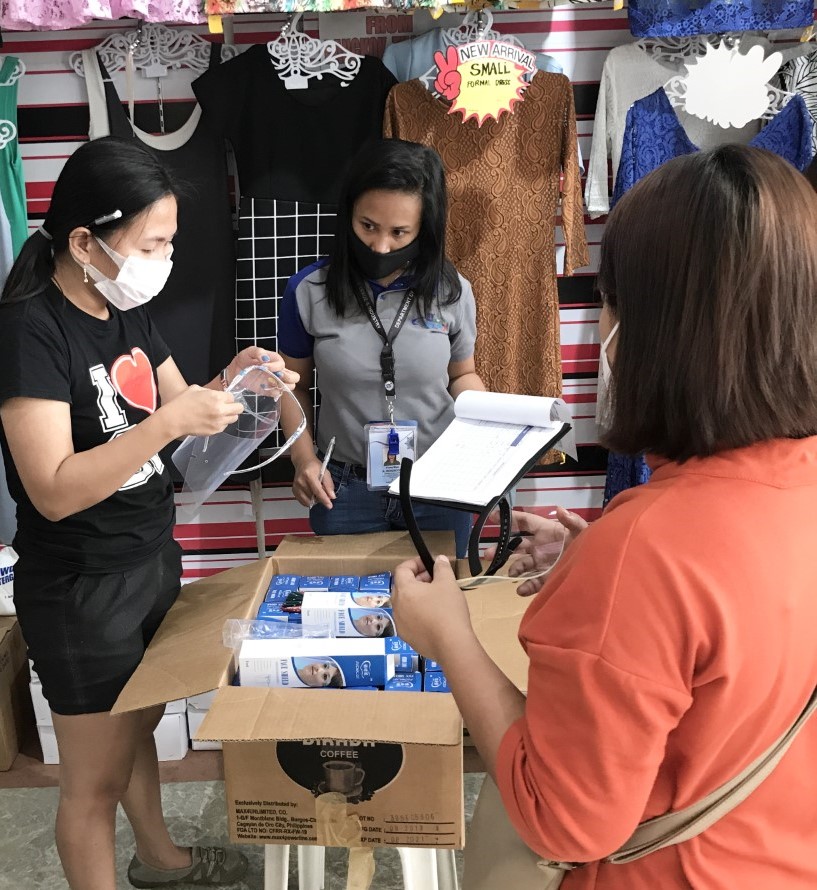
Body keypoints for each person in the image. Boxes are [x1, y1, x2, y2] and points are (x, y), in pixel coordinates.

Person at [391, 146, 817, 889]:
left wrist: (447, 636)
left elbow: (562, 817)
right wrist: (608, 573)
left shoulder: (646, 550)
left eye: (607, 300)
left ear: (654, 330)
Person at [0, 137, 298, 890]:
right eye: (151, 243)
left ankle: (162, 860)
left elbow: (176, 403)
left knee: (139, 731)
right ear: (83, 240)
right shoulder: (29, 329)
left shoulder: (118, 305)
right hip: (80, 587)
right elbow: (54, 489)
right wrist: (168, 425)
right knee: (89, 786)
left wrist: (237, 382)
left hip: (145, 557)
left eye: (169, 242)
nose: (162, 260)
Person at [278, 138, 485, 558]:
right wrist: (303, 460)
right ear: (348, 213)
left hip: (439, 485)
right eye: (367, 226)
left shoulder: (451, 291)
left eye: (399, 232)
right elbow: (290, 385)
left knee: (438, 610)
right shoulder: (308, 291)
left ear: (424, 229)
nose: (381, 246)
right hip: (344, 490)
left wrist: (484, 429)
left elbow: (462, 375)